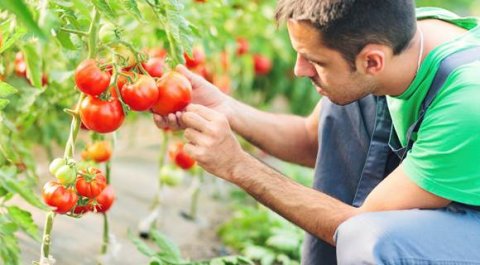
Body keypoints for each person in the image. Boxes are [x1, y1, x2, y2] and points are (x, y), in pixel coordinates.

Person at [154, 0, 480, 264]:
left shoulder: (466, 103)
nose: (299, 70)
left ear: (373, 60)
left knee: (372, 242)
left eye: (314, 60)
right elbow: (313, 140)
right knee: (348, 100)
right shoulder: (392, 38)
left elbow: (357, 225)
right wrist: (224, 107)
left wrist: (238, 165)